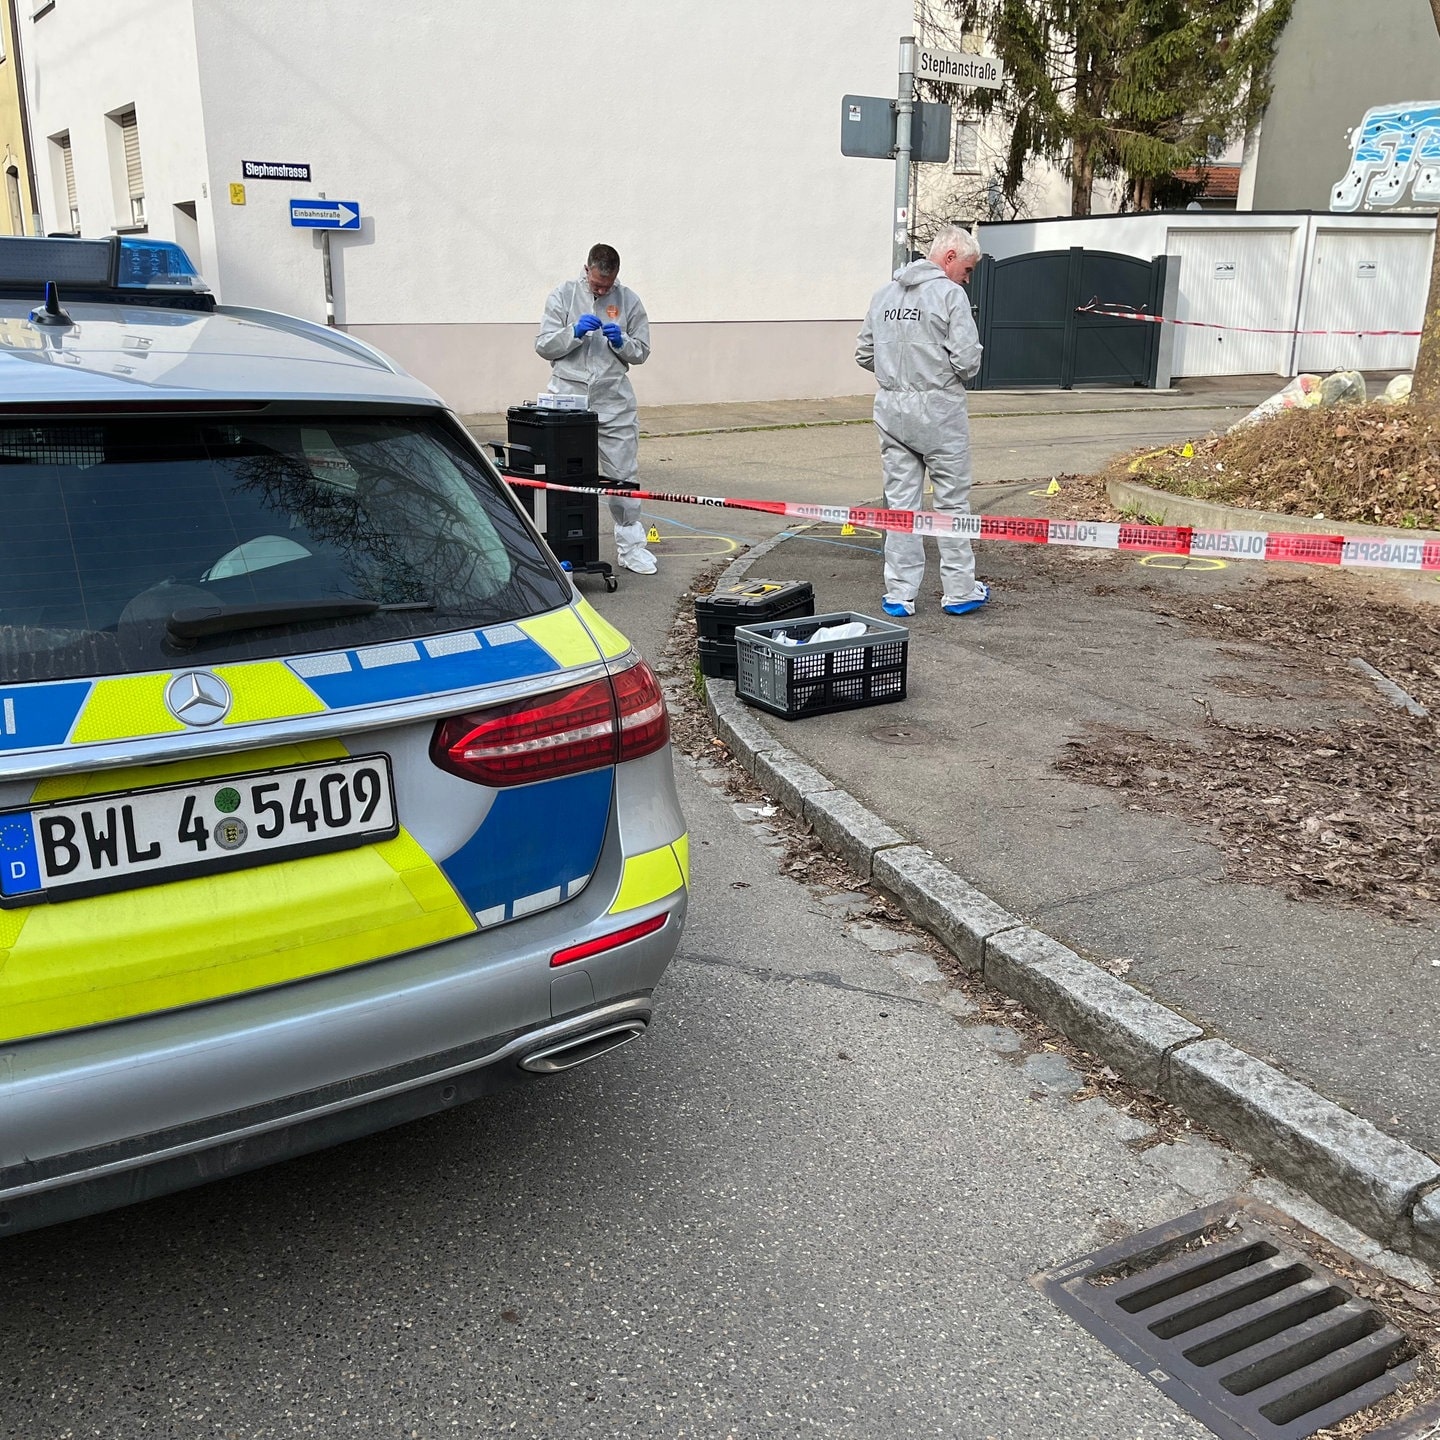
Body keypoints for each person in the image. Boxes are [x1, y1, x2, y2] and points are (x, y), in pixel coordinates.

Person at [856, 224, 987, 617]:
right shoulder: (950, 296)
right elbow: (969, 361)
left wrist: (899, 373)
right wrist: (935, 373)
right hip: (939, 412)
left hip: (892, 410)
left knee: (900, 506)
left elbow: (864, 352)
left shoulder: (884, 295)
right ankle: (961, 590)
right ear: (949, 258)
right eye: (967, 268)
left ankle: (899, 593)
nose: (968, 277)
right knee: (951, 504)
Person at [535, 243, 656, 574]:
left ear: (615, 276)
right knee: (560, 478)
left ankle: (631, 547)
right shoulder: (563, 295)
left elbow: (642, 351)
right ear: (586, 269)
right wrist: (572, 333)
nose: (602, 290)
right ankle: (555, 548)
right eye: (597, 283)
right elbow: (544, 345)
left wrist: (622, 342)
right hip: (568, 400)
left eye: (608, 285)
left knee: (623, 475)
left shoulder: (628, 300)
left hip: (613, 400)